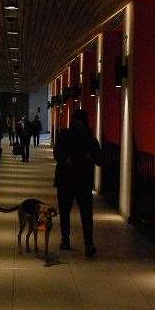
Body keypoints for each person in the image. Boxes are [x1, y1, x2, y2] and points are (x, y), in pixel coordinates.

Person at [53, 109, 103, 257]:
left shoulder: (70, 135)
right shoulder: (88, 137)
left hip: (72, 180)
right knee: (79, 213)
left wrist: (89, 155)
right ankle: (77, 242)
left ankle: (81, 242)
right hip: (77, 180)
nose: (77, 124)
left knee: (72, 212)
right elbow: (58, 153)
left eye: (78, 121)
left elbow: (98, 157)